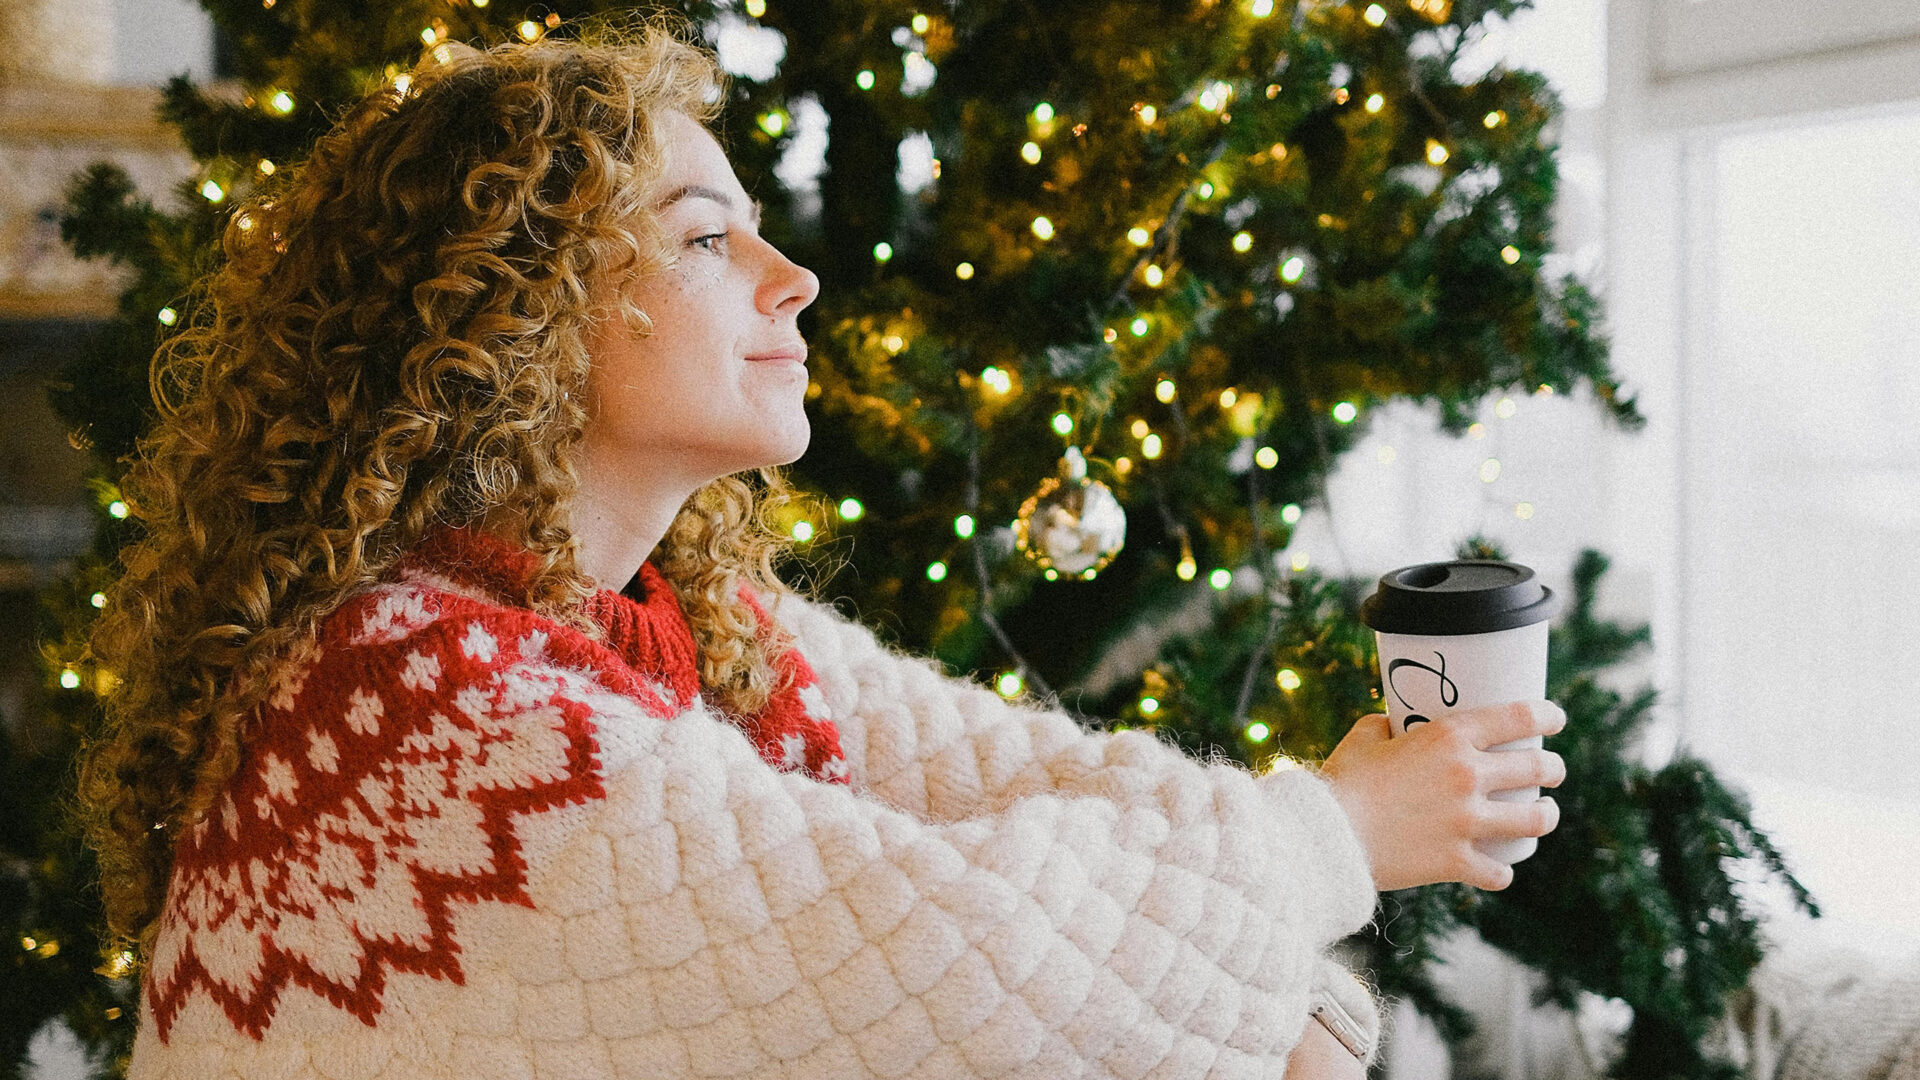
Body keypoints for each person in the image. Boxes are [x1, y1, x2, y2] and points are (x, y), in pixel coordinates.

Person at [83, 20, 1566, 1080]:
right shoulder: (411, 703)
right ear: (518, 319)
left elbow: (1037, 786)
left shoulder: (702, 622)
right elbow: (942, 954)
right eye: (705, 240)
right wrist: (1328, 839)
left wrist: (1287, 969)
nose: (796, 280)